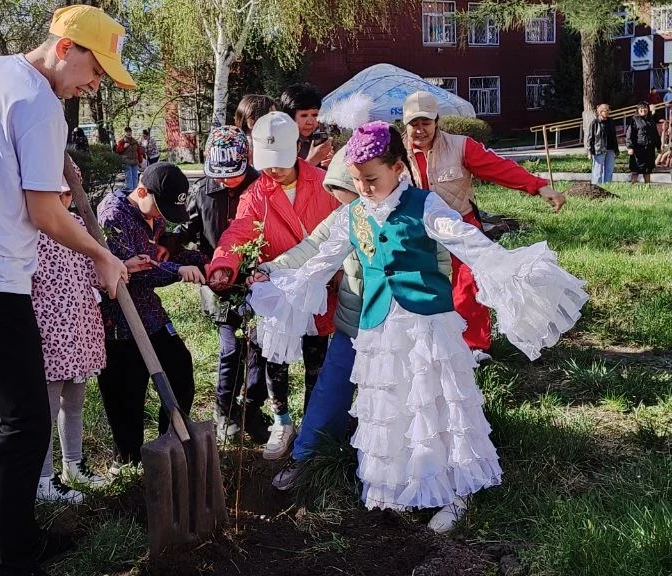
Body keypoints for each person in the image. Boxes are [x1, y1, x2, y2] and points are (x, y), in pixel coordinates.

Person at [248, 121, 587, 533]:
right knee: (391, 404)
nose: (363, 189)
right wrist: (271, 272)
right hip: (378, 329)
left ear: (398, 169)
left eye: (371, 179)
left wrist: (508, 266)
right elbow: (318, 257)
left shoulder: (425, 205)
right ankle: (402, 483)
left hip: (425, 325)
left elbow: (464, 239)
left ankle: (455, 491)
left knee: (434, 402)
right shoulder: (353, 215)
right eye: (356, 181)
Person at [0, 6, 132, 575]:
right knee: (27, 420)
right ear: (64, 48)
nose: (95, 85)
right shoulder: (40, 104)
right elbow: (45, 213)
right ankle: (12, 558)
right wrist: (101, 254)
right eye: (95, 70)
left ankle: (10, 533)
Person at [266, 145, 453, 491]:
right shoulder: (346, 215)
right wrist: (270, 269)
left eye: (353, 194)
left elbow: (441, 262)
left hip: (403, 328)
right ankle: (308, 454)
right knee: (331, 388)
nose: (352, 204)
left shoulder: (413, 213)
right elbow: (312, 248)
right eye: (344, 194)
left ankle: (413, 468)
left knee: (405, 397)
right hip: (353, 325)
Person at [206, 112, 340, 460]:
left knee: (317, 358)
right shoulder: (257, 194)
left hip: (320, 286)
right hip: (276, 287)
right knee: (274, 359)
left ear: (296, 148)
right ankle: (282, 421)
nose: (275, 170)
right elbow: (238, 232)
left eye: (280, 161)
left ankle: (314, 426)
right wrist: (224, 264)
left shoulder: (323, 183)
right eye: (267, 163)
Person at [401, 90, 566, 355]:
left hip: (461, 225)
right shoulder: (394, 153)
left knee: (469, 282)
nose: (420, 130)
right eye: (414, 124)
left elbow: (499, 168)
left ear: (437, 121)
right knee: (419, 286)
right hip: (416, 230)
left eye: (426, 122)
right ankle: (425, 343)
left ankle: (473, 347)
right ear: (405, 124)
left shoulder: (460, 146)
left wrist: (539, 187)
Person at [31, 177, 149, 501]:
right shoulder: (32, 231)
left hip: (81, 327)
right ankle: (43, 479)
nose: (63, 200)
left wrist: (120, 266)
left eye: (68, 194)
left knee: (74, 401)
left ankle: (73, 465)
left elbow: (93, 272)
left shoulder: (80, 226)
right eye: (57, 194)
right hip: (50, 330)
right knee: (47, 406)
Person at [162, 126, 269, 442]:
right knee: (230, 348)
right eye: (220, 177)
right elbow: (188, 226)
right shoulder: (203, 190)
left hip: (257, 279)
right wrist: (172, 241)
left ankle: (252, 409)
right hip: (217, 280)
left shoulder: (262, 187)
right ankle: (225, 412)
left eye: (233, 176)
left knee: (259, 347)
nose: (226, 182)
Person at [96, 162, 203, 466]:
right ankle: (128, 461)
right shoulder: (112, 216)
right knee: (126, 394)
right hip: (118, 322)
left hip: (150, 315)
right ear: (142, 192)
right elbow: (136, 271)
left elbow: (157, 256)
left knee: (179, 367)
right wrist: (178, 270)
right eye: (160, 209)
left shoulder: (153, 217)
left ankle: (169, 444)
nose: (161, 218)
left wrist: (206, 261)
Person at [279, 83, 333, 169]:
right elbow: (282, 175)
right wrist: (312, 161)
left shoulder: (317, 138)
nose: (310, 122)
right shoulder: (279, 143)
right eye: (304, 115)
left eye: (315, 115)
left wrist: (331, 165)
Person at [626, 102, 659, 185]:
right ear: (638, 109)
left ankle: (647, 186)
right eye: (641, 108)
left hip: (649, 148)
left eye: (645, 108)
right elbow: (629, 134)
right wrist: (630, 147)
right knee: (635, 169)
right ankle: (633, 185)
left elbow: (655, 134)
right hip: (638, 148)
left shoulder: (651, 120)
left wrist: (658, 146)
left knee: (648, 169)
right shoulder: (634, 120)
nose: (643, 110)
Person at [587, 104, 619, 185]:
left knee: (609, 170)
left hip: (610, 149)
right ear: (600, 112)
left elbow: (614, 136)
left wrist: (616, 149)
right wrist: (589, 151)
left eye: (608, 110)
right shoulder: (595, 122)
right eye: (605, 111)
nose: (607, 112)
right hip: (599, 149)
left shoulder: (611, 121)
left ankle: (607, 187)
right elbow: (590, 138)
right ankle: (596, 187)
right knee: (597, 170)